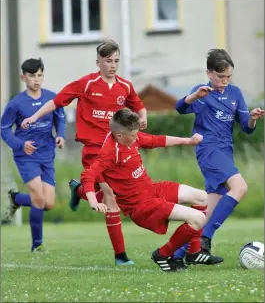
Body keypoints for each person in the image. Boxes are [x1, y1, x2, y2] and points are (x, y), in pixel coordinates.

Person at [20, 40, 147, 265]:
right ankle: (121, 256)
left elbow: (138, 105)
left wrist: (143, 117)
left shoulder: (125, 86)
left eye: (116, 61)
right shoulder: (87, 84)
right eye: (108, 61)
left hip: (116, 149)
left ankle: (78, 190)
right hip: (94, 151)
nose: (113, 65)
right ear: (98, 62)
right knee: (110, 196)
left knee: (115, 195)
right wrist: (34, 117)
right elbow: (56, 102)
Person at [79, 108, 213, 272]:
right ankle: (162, 254)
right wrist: (93, 201)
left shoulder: (128, 137)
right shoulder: (109, 153)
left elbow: (154, 140)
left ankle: (194, 252)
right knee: (198, 219)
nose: (137, 138)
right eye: (134, 135)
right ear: (120, 136)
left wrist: (188, 141)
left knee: (202, 197)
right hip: (141, 206)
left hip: (151, 189)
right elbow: (88, 175)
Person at [173, 49, 264, 264]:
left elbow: (247, 128)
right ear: (209, 73)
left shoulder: (235, 93)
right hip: (208, 150)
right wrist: (194, 96)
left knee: (208, 210)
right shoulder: (201, 92)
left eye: (228, 77)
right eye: (220, 76)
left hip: (225, 152)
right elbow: (180, 107)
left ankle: (176, 254)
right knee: (240, 187)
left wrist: (252, 119)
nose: (224, 81)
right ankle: (205, 239)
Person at [1, 58, 66, 252]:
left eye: (39, 75)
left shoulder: (53, 98)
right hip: (26, 155)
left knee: (48, 203)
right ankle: (37, 245)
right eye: (31, 76)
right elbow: (4, 129)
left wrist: (60, 136)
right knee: (38, 197)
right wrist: (21, 145)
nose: (36, 80)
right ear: (24, 77)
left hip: (47, 154)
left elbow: (60, 119)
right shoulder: (16, 103)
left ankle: (16, 199)